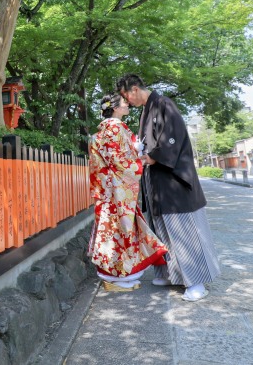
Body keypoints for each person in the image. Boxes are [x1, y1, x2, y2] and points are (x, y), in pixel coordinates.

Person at [117, 74, 220, 302]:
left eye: (126, 96)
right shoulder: (147, 111)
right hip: (157, 182)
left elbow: (172, 139)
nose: (127, 102)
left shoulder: (163, 104)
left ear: (134, 89)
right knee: (161, 230)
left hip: (174, 183)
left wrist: (152, 156)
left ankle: (196, 282)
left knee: (183, 232)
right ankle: (170, 274)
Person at [88, 93, 168, 292]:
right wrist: (140, 161)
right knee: (119, 231)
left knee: (114, 231)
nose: (128, 105)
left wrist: (135, 153)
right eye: (124, 103)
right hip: (117, 191)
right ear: (115, 107)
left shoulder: (106, 129)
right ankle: (117, 277)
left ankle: (120, 276)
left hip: (110, 190)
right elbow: (118, 161)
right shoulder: (114, 128)